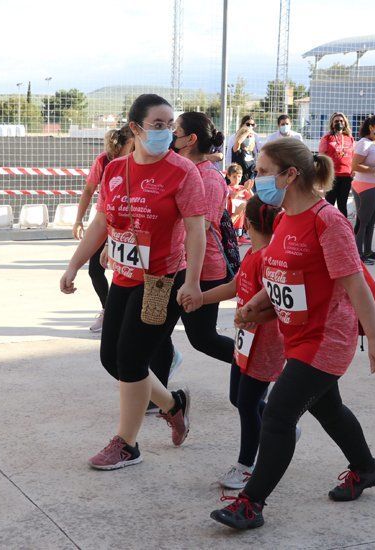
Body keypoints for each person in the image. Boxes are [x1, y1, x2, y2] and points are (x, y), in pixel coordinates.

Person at [209, 137, 375, 531]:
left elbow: (355, 284)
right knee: (327, 409)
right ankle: (366, 468)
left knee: (278, 413)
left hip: (327, 337)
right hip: (296, 334)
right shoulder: (283, 218)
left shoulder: (328, 221)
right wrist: (254, 306)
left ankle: (250, 503)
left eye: (261, 173)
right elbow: (280, 273)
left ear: (290, 174)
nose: (254, 181)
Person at [60, 94, 206, 470]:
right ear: (136, 128)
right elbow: (101, 224)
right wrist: (74, 265)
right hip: (124, 276)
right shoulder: (115, 169)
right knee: (113, 360)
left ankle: (127, 444)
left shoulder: (182, 172)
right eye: (158, 125)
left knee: (131, 359)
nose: (167, 132)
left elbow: (195, 231)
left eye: (170, 125)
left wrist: (191, 282)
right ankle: (173, 404)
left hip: (161, 281)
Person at [188, 196, 285, 490]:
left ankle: (246, 465)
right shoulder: (253, 254)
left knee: (247, 402)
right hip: (245, 343)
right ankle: (282, 428)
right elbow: (234, 286)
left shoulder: (270, 258)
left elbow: (275, 301)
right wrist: (201, 298)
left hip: (265, 344)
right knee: (238, 397)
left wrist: (252, 314)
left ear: (250, 221)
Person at [144, 112, 236, 394]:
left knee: (203, 338)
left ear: (190, 140)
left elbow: (200, 228)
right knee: (154, 333)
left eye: (176, 130)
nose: (171, 135)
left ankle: (256, 364)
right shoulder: (177, 169)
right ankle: (156, 396)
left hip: (201, 270)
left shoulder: (208, 178)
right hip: (166, 266)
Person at [73, 127, 134, 332]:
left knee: (127, 274)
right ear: (128, 142)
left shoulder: (144, 163)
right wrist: (78, 220)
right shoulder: (105, 161)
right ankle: (108, 310)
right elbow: (89, 190)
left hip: (132, 229)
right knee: (95, 270)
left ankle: (125, 315)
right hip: (106, 223)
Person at [350, 115, 375, 265]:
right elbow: (354, 166)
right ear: (371, 127)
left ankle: (368, 251)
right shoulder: (363, 144)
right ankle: (357, 254)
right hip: (365, 186)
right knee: (363, 221)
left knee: (372, 221)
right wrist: (374, 169)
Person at [318, 112, 355, 217]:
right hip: (332, 176)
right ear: (332, 124)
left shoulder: (349, 138)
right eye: (336, 121)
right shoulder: (327, 138)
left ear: (345, 123)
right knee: (329, 204)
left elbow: (353, 156)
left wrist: (353, 170)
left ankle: (343, 229)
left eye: (341, 121)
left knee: (342, 205)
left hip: (346, 176)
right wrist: (322, 174)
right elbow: (321, 157)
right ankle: (328, 227)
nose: (339, 123)